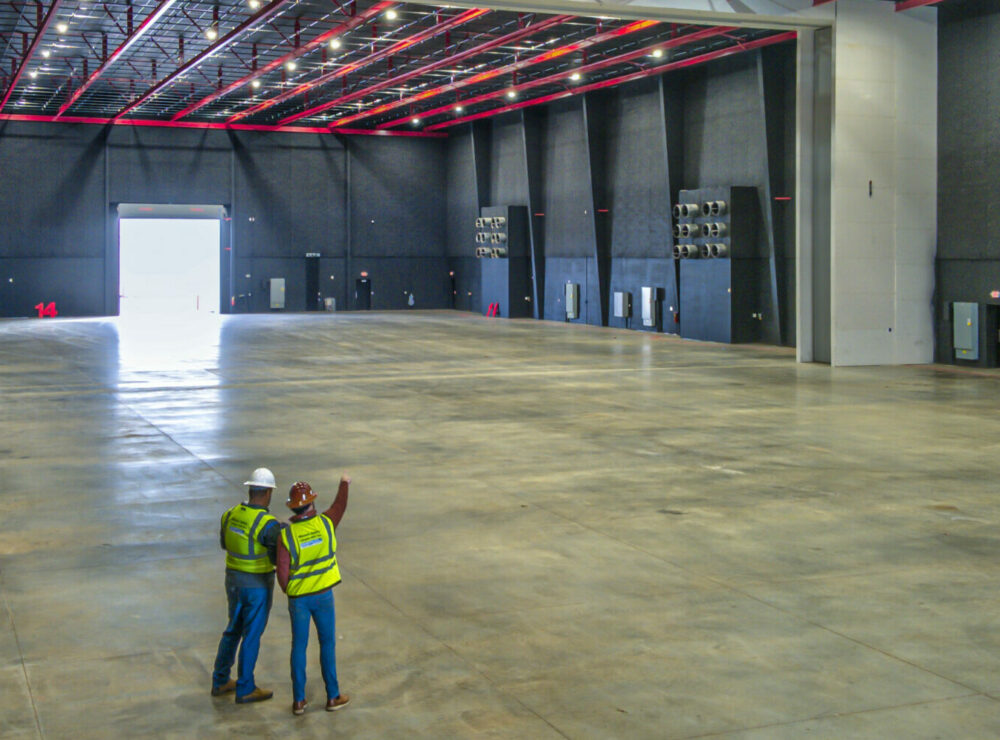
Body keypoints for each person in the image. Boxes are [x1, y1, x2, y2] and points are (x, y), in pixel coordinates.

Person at [277, 476, 351, 715]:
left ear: (292, 507)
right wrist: (344, 484)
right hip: (323, 597)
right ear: (312, 503)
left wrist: (292, 590)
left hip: (299, 599)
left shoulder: (286, 536)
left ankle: (299, 701)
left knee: (298, 647)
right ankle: (333, 696)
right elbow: (340, 506)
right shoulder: (326, 523)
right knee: (327, 644)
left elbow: (282, 573)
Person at [211, 467, 282, 704]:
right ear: (269, 493)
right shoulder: (268, 524)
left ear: (250, 489)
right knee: (252, 635)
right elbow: (276, 558)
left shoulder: (230, 514)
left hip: (232, 580)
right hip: (257, 585)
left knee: (233, 629)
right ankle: (245, 688)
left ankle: (221, 680)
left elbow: (224, 544)